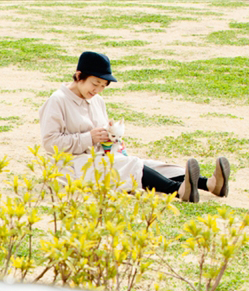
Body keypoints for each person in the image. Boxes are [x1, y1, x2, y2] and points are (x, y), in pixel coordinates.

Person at [39, 51, 230, 203]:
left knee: (155, 166)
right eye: (95, 84)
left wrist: (111, 136)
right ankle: (178, 190)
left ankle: (210, 184)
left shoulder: (97, 100)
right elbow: (49, 142)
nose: (97, 90)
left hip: (102, 157)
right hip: (73, 165)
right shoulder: (58, 100)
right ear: (79, 75)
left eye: (103, 86)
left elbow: (101, 134)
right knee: (132, 165)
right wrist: (89, 138)